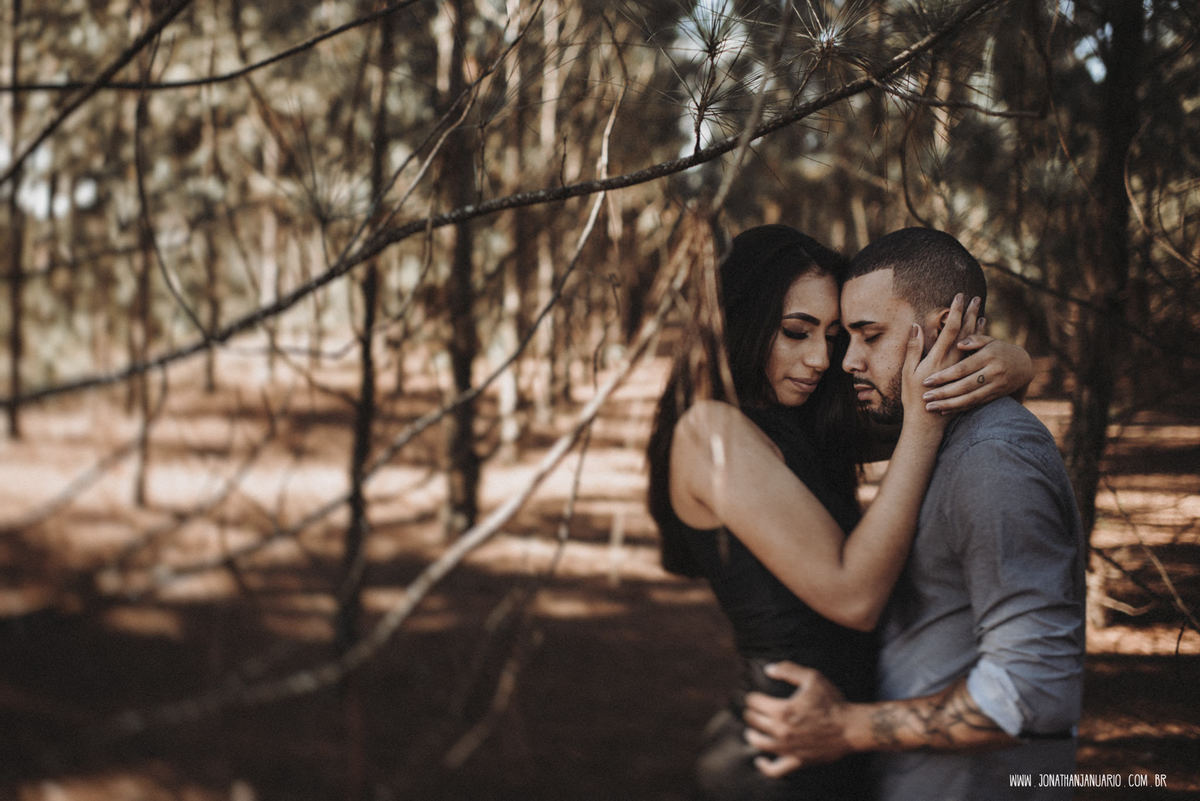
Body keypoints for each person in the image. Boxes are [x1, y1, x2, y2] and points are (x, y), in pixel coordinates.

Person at [645, 224, 1035, 800]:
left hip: (840, 736)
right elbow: (854, 595)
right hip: (782, 755)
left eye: (833, 335)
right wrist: (924, 429)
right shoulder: (710, 432)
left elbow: (924, 405)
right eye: (796, 332)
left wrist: (1015, 364)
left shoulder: (802, 423)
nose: (821, 359)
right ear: (742, 322)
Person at [742, 228, 1086, 801]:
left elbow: (1033, 690)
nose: (845, 360)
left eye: (868, 335)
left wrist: (846, 728)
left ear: (951, 326)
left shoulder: (992, 460)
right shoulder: (926, 438)